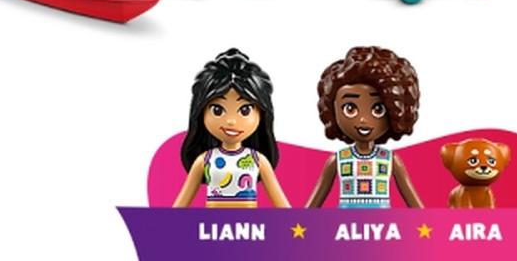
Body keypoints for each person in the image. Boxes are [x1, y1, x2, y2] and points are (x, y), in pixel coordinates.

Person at [305, 47, 424, 208]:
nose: (363, 119)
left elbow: (416, 206)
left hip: (381, 223)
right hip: (346, 223)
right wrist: (296, 222)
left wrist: (434, 222)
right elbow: (311, 207)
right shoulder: (338, 160)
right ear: (332, 111)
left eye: (377, 109)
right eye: (350, 109)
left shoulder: (390, 160)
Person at [174, 49, 290, 208]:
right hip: (213, 223)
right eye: (217, 110)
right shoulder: (205, 161)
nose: (230, 121)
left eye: (245, 110)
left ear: (262, 114)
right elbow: (178, 208)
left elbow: (284, 208)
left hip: (249, 223)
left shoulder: (257, 160)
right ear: (201, 112)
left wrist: (300, 222)